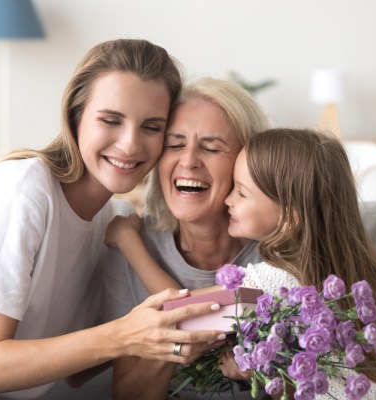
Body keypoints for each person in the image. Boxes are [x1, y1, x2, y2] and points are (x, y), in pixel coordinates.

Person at [0, 39, 228, 400]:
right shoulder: (25, 189)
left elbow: (79, 371)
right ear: (75, 114)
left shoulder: (115, 222)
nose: (130, 145)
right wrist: (125, 334)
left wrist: (167, 336)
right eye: (110, 120)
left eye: (151, 127)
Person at [103, 76, 269, 399]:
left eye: (210, 147)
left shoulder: (279, 250)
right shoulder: (129, 248)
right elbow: (127, 395)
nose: (189, 160)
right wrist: (173, 346)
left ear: (248, 162)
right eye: (175, 144)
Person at [219, 128, 376, 399]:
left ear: (289, 218)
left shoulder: (269, 284)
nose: (228, 200)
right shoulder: (367, 276)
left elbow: (181, 313)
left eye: (241, 192)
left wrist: (131, 242)